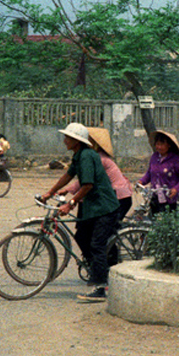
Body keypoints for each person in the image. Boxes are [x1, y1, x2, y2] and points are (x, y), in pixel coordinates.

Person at [40, 122, 120, 303]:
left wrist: (71, 203)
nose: (64, 140)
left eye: (68, 137)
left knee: (97, 245)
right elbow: (67, 176)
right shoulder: (79, 155)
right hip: (94, 207)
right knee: (81, 236)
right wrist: (50, 192)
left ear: (76, 141)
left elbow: (88, 185)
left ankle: (100, 287)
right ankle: (96, 269)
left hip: (104, 207)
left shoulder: (86, 156)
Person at [139, 131, 179, 216]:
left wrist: (176, 189)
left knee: (168, 224)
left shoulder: (175, 160)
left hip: (169, 198)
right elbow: (149, 173)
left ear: (169, 145)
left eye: (161, 144)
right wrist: (141, 182)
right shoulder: (154, 157)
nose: (158, 147)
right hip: (155, 196)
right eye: (157, 144)